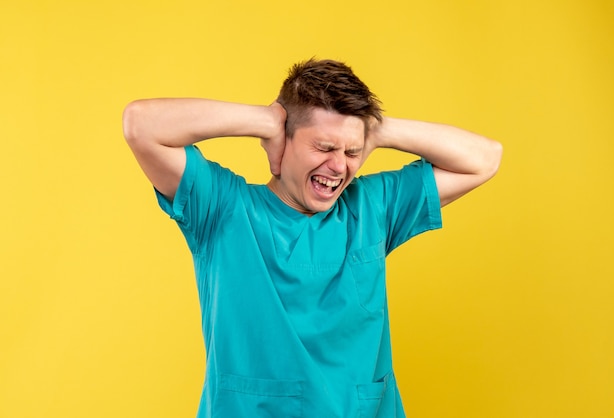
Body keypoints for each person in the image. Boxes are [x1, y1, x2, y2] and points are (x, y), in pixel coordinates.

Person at [123, 58, 502, 418]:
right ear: (281, 143)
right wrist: (267, 119)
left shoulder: (373, 208)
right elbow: (141, 125)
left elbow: (485, 158)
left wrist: (379, 130)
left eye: (352, 151)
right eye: (323, 147)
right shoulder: (223, 209)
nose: (339, 166)